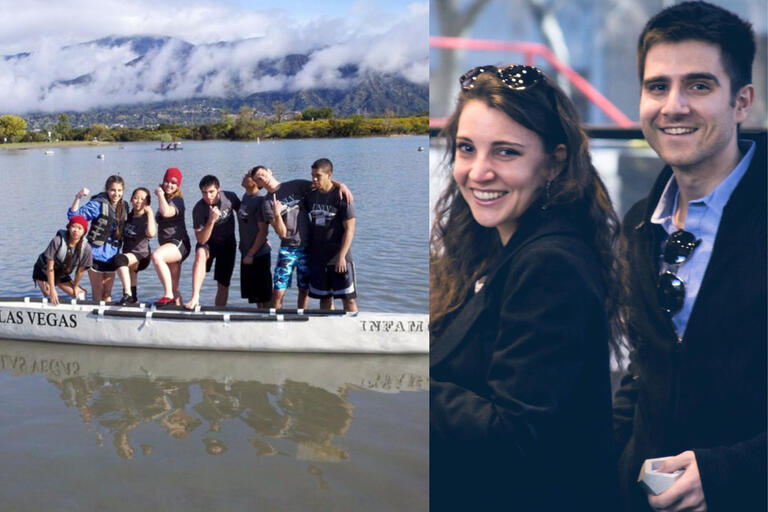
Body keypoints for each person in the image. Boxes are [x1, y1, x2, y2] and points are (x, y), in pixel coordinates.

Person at [429, 65, 624, 510]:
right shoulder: (489, 246)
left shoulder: (551, 265)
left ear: (554, 163)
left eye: (506, 152)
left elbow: (514, 435)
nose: (478, 172)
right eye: (466, 148)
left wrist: (408, 384)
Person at [612, 3, 765, 511]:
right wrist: (615, 463)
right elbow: (646, 367)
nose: (673, 106)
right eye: (657, 87)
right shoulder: (639, 224)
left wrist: (726, 474)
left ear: (741, 102)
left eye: (699, 85)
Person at [254, 167, 352, 309]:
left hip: (307, 248)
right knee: (278, 291)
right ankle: (276, 318)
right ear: (258, 184)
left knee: (304, 290)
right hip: (287, 249)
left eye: (263, 174)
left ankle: (301, 316)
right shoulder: (267, 203)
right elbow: (282, 233)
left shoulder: (295, 185)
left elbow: (322, 183)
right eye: (258, 178)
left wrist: (341, 185)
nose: (263, 178)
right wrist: (277, 214)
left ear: (270, 171)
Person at [305, 158, 357, 312]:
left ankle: (353, 326)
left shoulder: (342, 197)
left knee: (348, 299)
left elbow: (350, 230)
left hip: (339, 258)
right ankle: (328, 326)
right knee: (324, 299)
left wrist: (341, 257)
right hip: (318, 258)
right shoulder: (311, 195)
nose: (314, 179)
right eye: (312, 175)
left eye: (318, 176)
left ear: (329, 175)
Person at [68, 175, 128, 302]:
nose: (116, 194)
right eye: (113, 190)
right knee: (98, 291)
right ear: (107, 190)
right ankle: (95, 313)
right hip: (95, 254)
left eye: (119, 190)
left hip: (113, 255)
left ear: (123, 191)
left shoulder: (124, 206)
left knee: (107, 293)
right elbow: (74, 217)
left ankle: (108, 314)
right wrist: (78, 197)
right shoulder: (97, 204)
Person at [184, 175, 240, 309]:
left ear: (218, 189)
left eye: (211, 192)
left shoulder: (230, 197)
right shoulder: (199, 208)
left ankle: (219, 311)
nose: (208, 196)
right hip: (208, 241)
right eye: (204, 192)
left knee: (223, 284)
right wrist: (211, 220)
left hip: (227, 243)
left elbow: (244, 216)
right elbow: (201, 239)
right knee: (200, 253)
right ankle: (195, 297)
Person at [152, 167, 191, 307]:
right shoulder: (166, 198)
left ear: (178, 185)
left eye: (173, 183)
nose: (169, 185)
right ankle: (178, 310)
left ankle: (167, 295)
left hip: (179, 244)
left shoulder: (177, 200)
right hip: (168, 245)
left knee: (157, 256)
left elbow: (166, 212)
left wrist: (159, 194)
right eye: (167, 181)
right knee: (175, 287)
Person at [32, 215, 93, 304]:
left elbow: (81, 271)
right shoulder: (57, 241)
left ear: (84, 231)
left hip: (60, 272)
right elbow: (50, 267)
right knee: (51, 296)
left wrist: (75, 286)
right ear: (69, 227)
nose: (76, 230)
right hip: (44, 269)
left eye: (79, 228)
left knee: (79, 294)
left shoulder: (86, 248)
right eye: (73, 227)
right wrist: (52, 290)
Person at [113, 188, 156, 305]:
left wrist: (150, 213)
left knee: (119, 259)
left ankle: (127, 294)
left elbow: (151, 234)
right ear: (131, 199)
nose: (138, 201)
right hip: (129, 253)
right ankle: (133, 299)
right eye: (136, 198)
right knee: (129, 271)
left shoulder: (147, 218)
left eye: (143, 199)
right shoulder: (128, 216)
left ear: (147, 202)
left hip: (142, 255)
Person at [237, 166, 272, 307]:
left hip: (258, 254)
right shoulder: (245, 197)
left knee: (264, 295)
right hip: (246, 252)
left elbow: (263, 232)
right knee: (255, 296)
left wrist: (251, 254)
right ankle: (260, 316)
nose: (244, 176)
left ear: (255, 182)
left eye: (247, 175)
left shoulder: (260, 201)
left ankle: (269, 317)